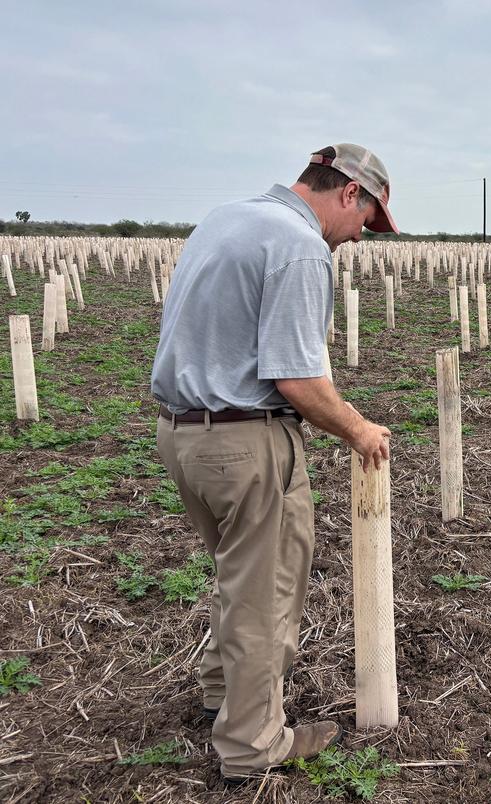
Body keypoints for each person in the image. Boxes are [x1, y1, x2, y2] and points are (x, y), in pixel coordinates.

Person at [151, 143, 394, 785]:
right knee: (267, 591)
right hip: (245, 443)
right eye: (364, 222)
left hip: (183, 436)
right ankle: (252, 742)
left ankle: (218, 696)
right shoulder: (298, 243)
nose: (357, 239)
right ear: (348, 193)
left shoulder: (226, 217)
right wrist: (358, 428)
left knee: (237, 574)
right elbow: (296, 378)